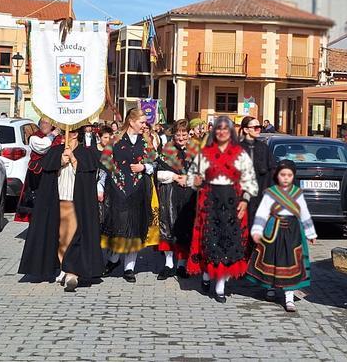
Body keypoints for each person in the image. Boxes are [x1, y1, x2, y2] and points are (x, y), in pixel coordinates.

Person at [18, 127, 104, 291]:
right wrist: (60, 161)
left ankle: (71, 271)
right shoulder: (55, 150)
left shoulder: (86, 153)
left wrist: (73, 160)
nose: (66, 135)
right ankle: (63, 268)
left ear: (76, 134)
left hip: (76, 201)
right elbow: (46, 169)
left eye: (70, 132)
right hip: (57, 200)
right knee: (60, 236)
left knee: (73, 234)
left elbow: (89, 173)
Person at [186, 115, 258, 303]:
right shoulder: (204, 153)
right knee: (210, 240)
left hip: (233, 202)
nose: (222, 132)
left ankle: (220, 287)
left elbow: (249, 180)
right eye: (219, 129)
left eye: (226, 129)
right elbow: (192, 177)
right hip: (209, 202)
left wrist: (245, 200)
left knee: (228, 242)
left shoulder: (240, 154)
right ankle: (207, 275)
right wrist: (196, 181)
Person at [246, 160, 317, 312]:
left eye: (289, 175)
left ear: (293, 177)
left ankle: (289, 297)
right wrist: (257, 230)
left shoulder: (297, 193)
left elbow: (304, 213)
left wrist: (310, 232)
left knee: (290, 262)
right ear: (277, 176)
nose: (285, 178)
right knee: (272, 259)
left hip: (293, 231)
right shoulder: (271, 193)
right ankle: (270, 288)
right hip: (273, 230)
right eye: (282, 175)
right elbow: (262, 212)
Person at [98, 108, 157, 282]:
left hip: (139, 189)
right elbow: (105, 162)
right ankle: (114, 259)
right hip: (117, 189)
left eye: (145, 122)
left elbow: (155, 161)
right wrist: (100, 187)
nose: (144, 125)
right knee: (119, 225)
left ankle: (129, 268)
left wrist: (144, 167)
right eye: (142, 122)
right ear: (131, 121)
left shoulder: (146, 141)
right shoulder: (115, 139)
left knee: (136, 227)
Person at [154, 120, 200, 279]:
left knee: (185, 227)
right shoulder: (166, 149)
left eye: (184, 134)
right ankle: (168, 264)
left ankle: (182, 264)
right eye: (178, 134)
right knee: (168, 226)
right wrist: (174, 176)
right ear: (173, 134)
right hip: (170, 193)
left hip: (189, 195)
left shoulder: (196, 149)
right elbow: (158, 174)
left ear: (189, 134)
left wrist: (187, 179)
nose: (181, 137)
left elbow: (202, 173)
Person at [15, 119, 59, 223]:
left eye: (47, 123)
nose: (44, 125)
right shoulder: (34, 137)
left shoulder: (59, 138)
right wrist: (52, 135)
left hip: (53, 173)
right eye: (42, 123)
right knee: (36, 200)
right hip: (37, 175)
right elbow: (43, 147)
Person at [240, 116, 273, 223]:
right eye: (256, 127)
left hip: (261, 196)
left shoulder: (264, 148)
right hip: (241, 196)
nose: (259, 129)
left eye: (260, 127)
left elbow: (270, 172)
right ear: (246, 130)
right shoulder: (238, 148)